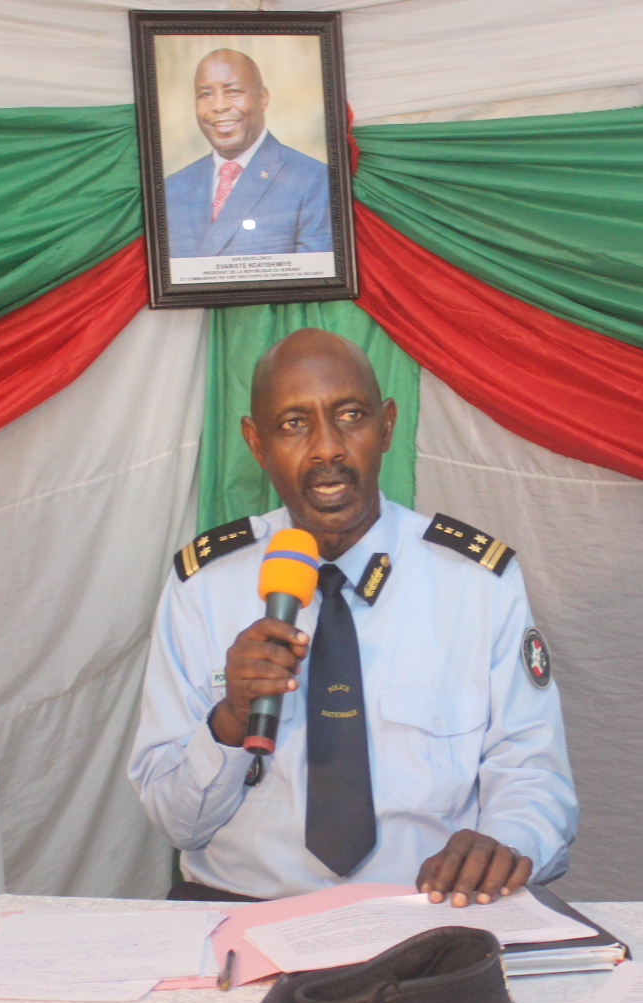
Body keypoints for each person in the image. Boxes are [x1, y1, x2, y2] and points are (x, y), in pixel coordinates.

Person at [129, 329, 576, 903]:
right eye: (293, 423)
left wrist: (503, 845)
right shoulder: (204, 586)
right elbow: (176, 824)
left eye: (350, 415)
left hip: (426, 914)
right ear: (255, 442)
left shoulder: (476, 583)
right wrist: (231, 720)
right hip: (241, 914)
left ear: (386, 425)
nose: (327, 448)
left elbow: (534, 775)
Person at [163, 49, 331, 260]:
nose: (219, 106)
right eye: (206, 94)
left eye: (232, 91)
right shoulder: (173, 188)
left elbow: (315, 277)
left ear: (263, 98)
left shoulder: (313, 179)